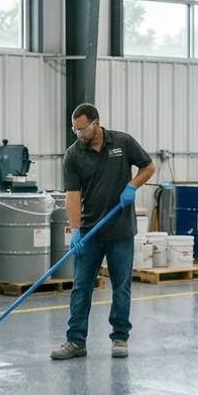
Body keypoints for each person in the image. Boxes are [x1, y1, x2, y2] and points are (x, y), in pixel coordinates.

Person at [53, 104, 154, 360]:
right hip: (90, 232)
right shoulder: (73, 155)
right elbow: (72, 196)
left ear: (96, 124)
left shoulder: (122, 142)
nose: (78, 134)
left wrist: (132, 186)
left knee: (121, 286)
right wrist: (75, 230)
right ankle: (76, 341)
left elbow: (149, 168)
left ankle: (120, 338)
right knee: (80, 287)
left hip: (120, 230)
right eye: (74, 129)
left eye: (82, 128)